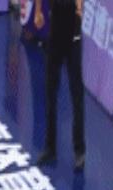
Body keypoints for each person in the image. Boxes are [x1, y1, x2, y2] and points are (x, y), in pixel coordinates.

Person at [35, 0, 86, 171]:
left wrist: (79, 8)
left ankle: (79, 151)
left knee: (76, 95)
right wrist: (38, 11)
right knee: (50, 91)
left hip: (72, 35)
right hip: (55, 32)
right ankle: (50, 148)